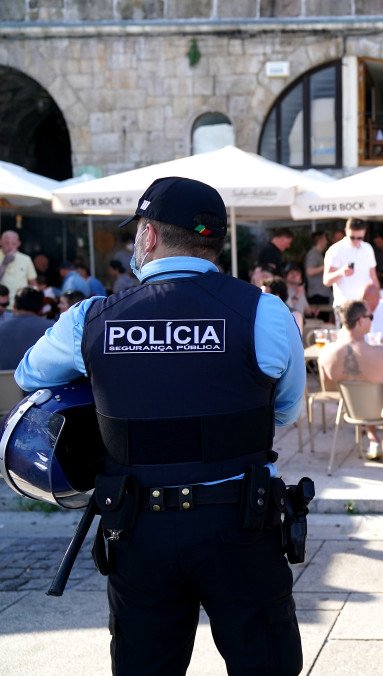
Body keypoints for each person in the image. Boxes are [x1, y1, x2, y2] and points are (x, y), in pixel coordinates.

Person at [15, 176, 306, 674]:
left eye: (136, 236)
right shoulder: (264, 312)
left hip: (139, 530)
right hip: (240, 524)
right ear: (215, 242)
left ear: (148, 237)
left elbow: (30, 375)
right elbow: (284, 410)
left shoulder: (92, 317)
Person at [318, 299, 383, 459]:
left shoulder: (326, 354)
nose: (372, 320)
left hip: (352, 410)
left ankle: (374, 441)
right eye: (370, 317)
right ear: (359, 321)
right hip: (381, 411)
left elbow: (328, 390)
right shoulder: (380, 353)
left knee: (364, 391)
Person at [323, 218, 379, 316]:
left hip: (365, 305)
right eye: (352, 237)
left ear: (364, 233)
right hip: (345, 305)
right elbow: (326, 281)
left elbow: (373, 276)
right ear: (346, 231)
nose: (356, 241)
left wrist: (377, 296)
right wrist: (341, 272)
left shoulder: (368, 248)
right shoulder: (335, 250)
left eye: (359, 238)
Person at [0, 287, 53, 369]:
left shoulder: (2, 327)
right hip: (39, 380)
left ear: (14, 305)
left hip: (4, 380)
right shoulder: (52, 329)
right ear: (41, 308)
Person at [303, 231, 332, 307]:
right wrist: (327, 265)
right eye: (326, 239)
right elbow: (309, 271)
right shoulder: (313, 254)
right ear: (321, 240)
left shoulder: (318, 254)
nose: (327, 241)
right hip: (317, 294)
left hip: (322, 293)